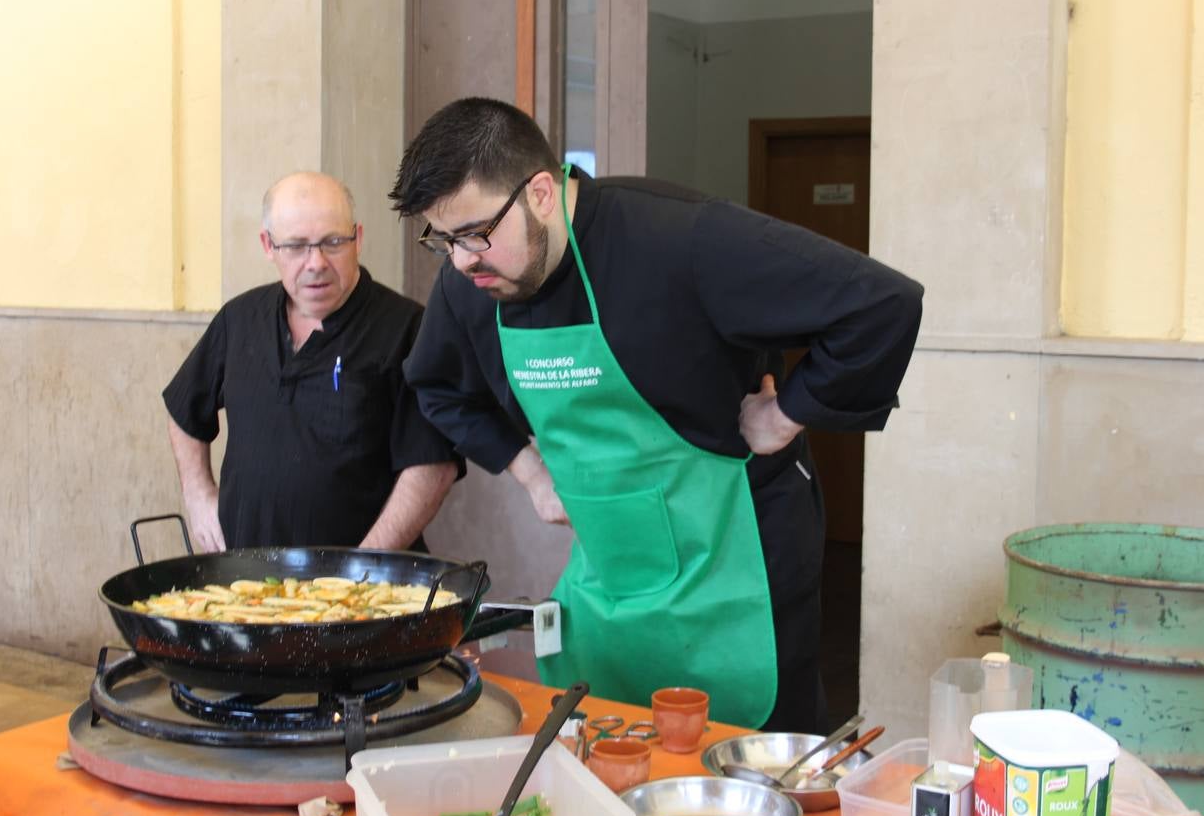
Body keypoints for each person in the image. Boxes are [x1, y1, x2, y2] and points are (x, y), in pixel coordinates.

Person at [393, 97, 923, 733]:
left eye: (475, 235)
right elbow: (439, 388)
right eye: (441, 240)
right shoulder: (473, 281)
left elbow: (881, 305)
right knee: (612, 738)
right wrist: (532, 474)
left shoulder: (684, 239)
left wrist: (786, 413)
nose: (460, 262)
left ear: (539, 192)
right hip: (611, 563)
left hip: (735, 553)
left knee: (747, 759)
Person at [164, 171, 461, 553]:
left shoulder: (407, 329)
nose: (316, 262)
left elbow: (432, 466)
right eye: (297, 246)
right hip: (244, 581)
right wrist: (199, 496)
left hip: (367, 592)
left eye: (333, 242)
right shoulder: (239, 319)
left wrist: (362, 569)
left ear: (358, 238)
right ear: (268, 245)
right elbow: (183, 409)